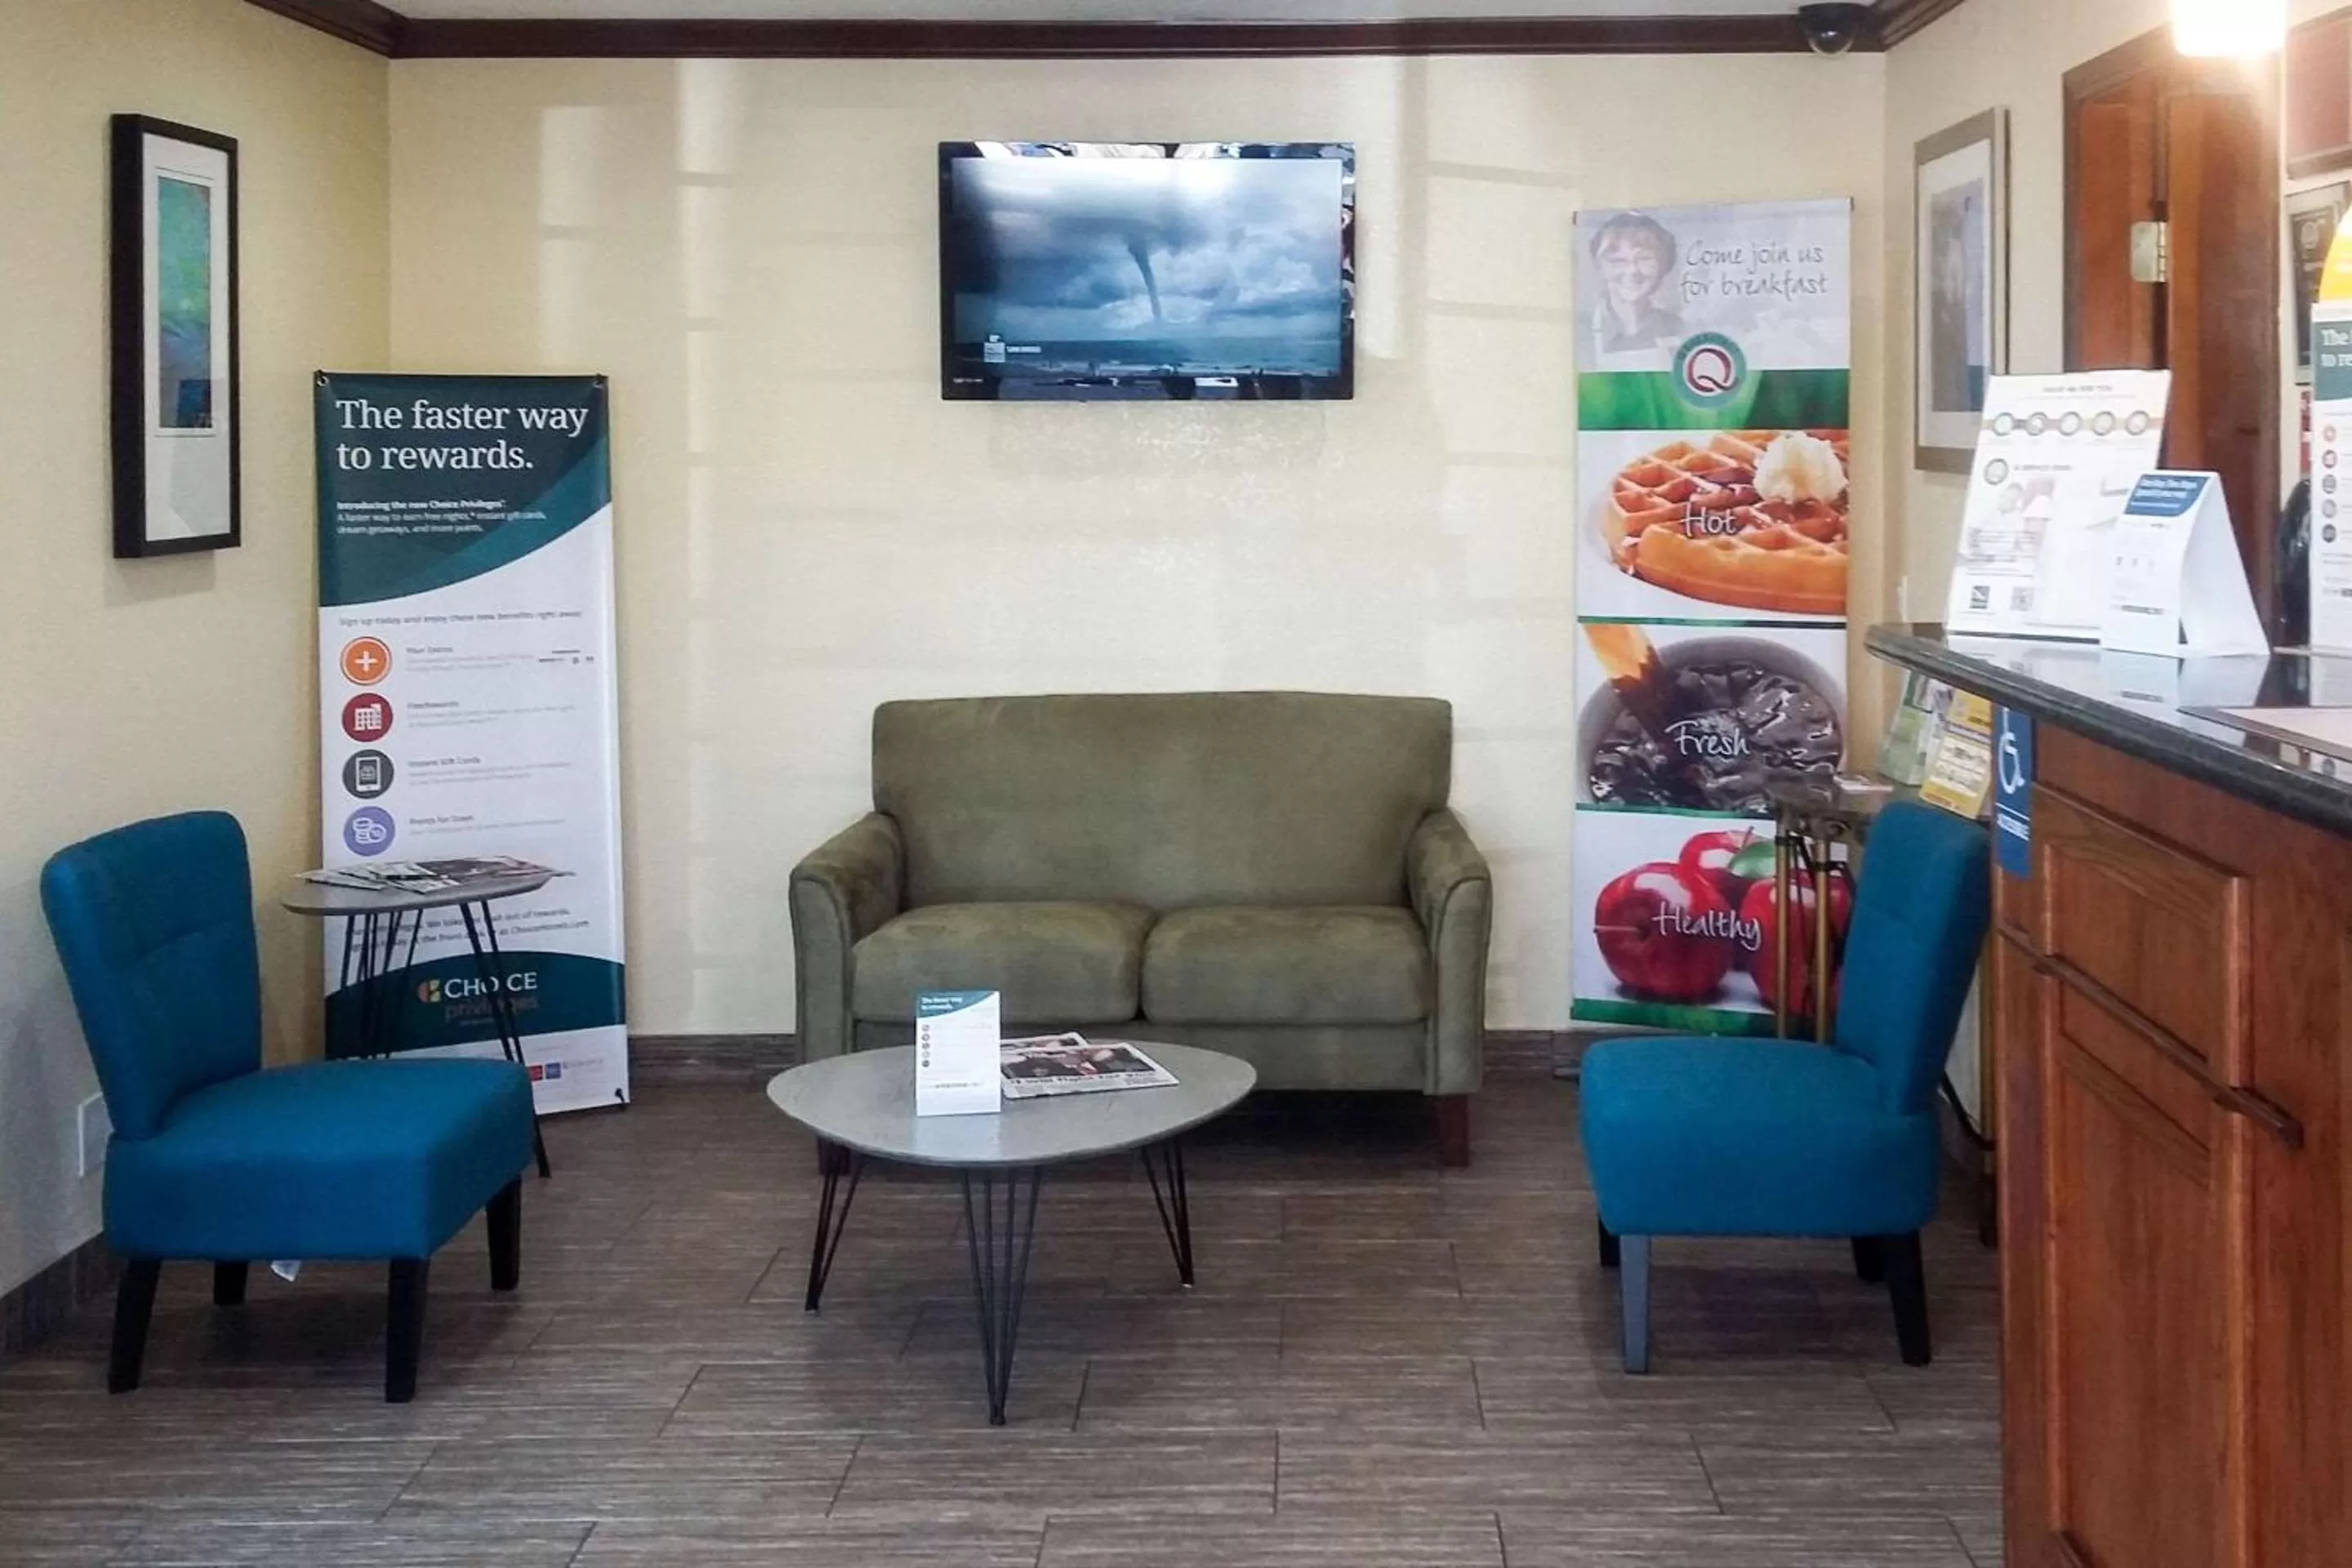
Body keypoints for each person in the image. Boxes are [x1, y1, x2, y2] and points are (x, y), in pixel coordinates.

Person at [1588, 213, 1686, 357]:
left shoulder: (1680, 330)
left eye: (1644, 258)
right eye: (1618, 261)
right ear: (1600, 267)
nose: (1632, 270)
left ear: (1664, 265)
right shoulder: (1579, 333)